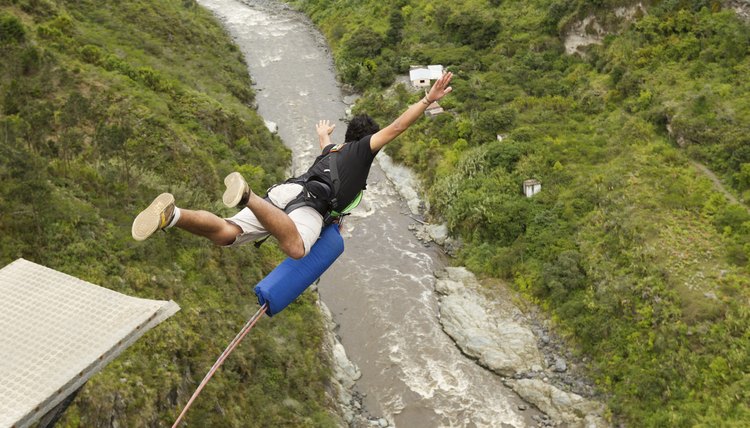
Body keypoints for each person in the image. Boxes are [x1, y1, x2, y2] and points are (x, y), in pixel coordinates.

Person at [132, 72, 454, 259]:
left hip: (287, 192)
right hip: (308, 206)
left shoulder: (335, 149)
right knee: (297, 248)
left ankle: (171, 216)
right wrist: (427, 101)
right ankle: (247, 197)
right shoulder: (362, 151)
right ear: (368, 140)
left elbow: (326, 148)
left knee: (227, 233)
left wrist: (323, 134)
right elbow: (397, 127)